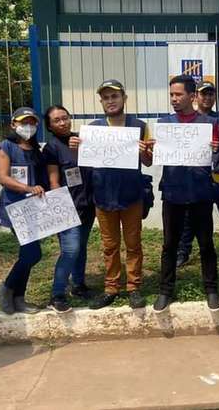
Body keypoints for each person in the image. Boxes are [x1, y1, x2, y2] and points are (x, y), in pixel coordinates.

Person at [79, 79, 150, 310]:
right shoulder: (93, 129)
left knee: (133, 243)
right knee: (109, 246)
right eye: (106, 98)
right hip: (103, 195)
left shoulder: (139, 125)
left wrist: (145, 152)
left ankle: (133, 287)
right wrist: (76, 148)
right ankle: (111, 287)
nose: (111, 101)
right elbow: (85, 161)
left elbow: (148, 162)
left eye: (115, 96)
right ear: (101, 102)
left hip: (131, 195)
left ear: (124, 99)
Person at [153, 74, 219, 312]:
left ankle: (211, 289)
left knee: (206, 243)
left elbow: (217, 160)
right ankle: (165, 290)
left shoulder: (209, 124)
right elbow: (154, 159)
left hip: (201, 191)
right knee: (169, 244)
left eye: (178, 94)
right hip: (172, 191)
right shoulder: (164, 124)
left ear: (192, 96)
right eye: (171, 94)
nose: (174, 99)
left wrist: (216, 149)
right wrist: (152, 149)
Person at [176, 81, 219, 267]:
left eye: (211, 94)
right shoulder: (188, 120)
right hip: (195, 177)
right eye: (204, 94)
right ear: (195, 96)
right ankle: (183, 251)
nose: (208, 97)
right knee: (189, 217)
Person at [0, 107, 48, 315]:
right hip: (16, 207)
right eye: (23, 122)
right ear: (13, 125)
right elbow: (4, 178)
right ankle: (6, 288)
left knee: (28, 253)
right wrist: (28, 188)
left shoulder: (35, 151)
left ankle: (19, 298)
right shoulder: (5, 147)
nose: (28, 127)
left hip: (34, 208)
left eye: (32, 122)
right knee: (32, 253)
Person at [42, 105, 95, 313]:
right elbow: (53, 181)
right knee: (70, 249)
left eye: (65, 118)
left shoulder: (81, 139)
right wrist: (61, 209)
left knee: (81, 246)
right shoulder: (51, 148)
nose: (62, 122)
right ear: (49, 126)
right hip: (67, 206)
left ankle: (79, 285)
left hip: (88, 204)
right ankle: (57, 294)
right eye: (56, 120)